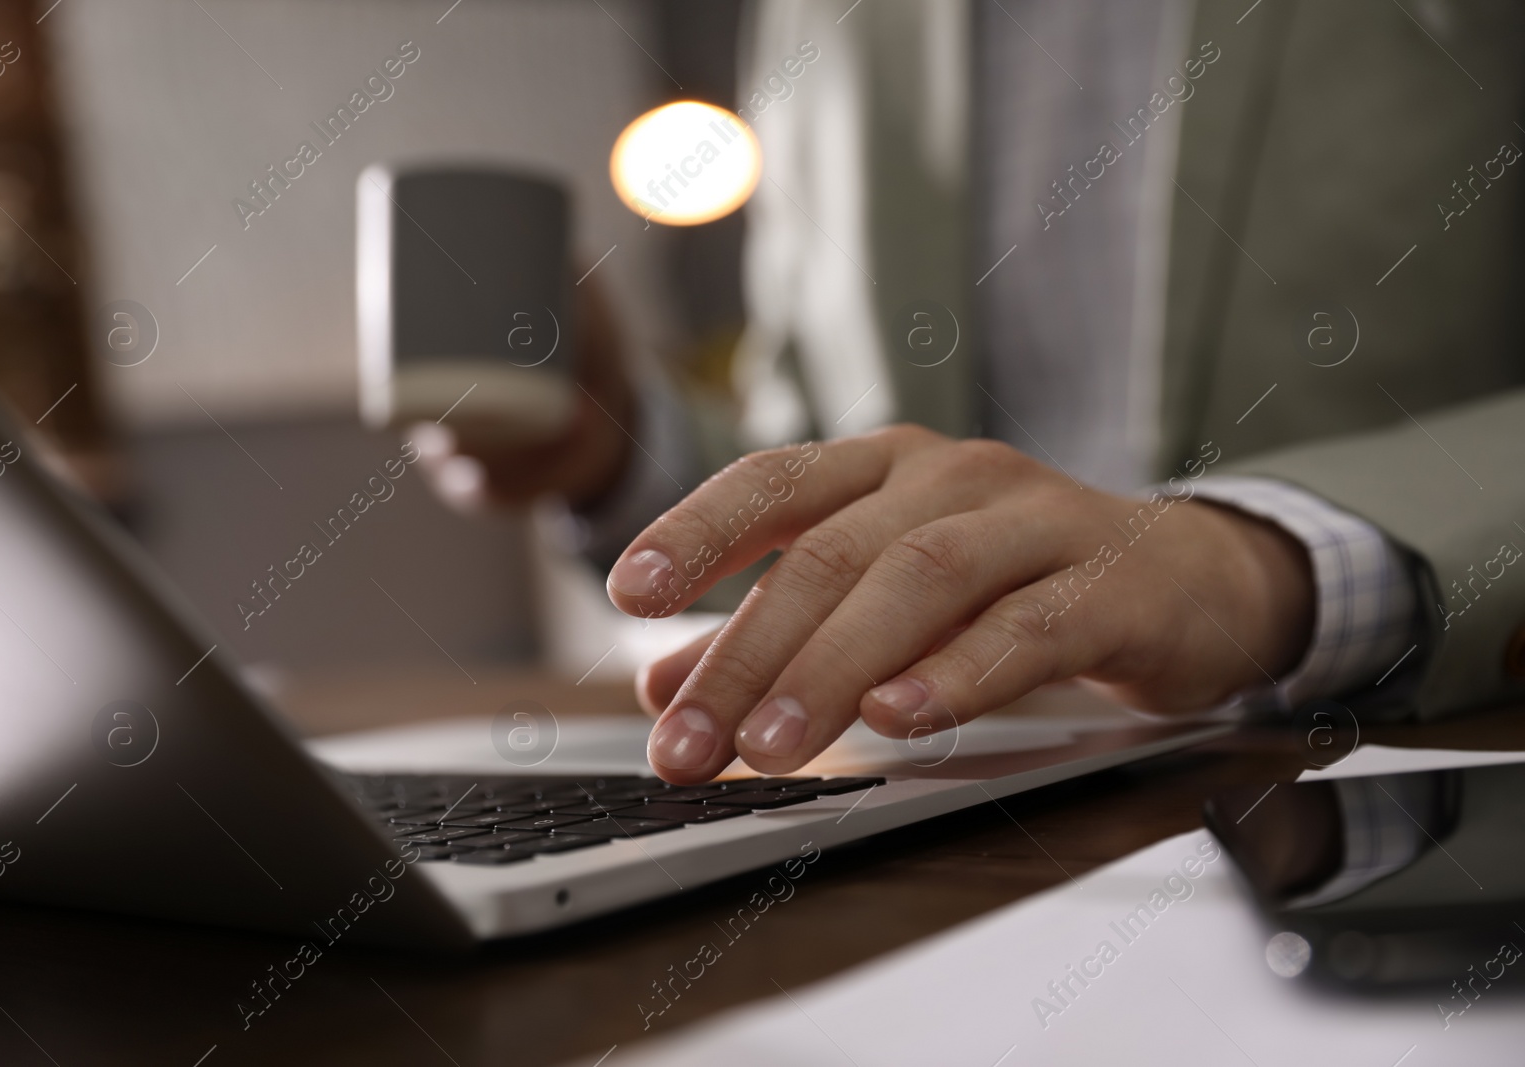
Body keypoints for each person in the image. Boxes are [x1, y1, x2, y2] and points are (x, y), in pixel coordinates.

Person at [423, 0, 1525, 785]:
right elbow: (824, 463)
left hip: (1393, 761)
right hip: (958, 786)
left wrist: (1258, 557)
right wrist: (617, 444)